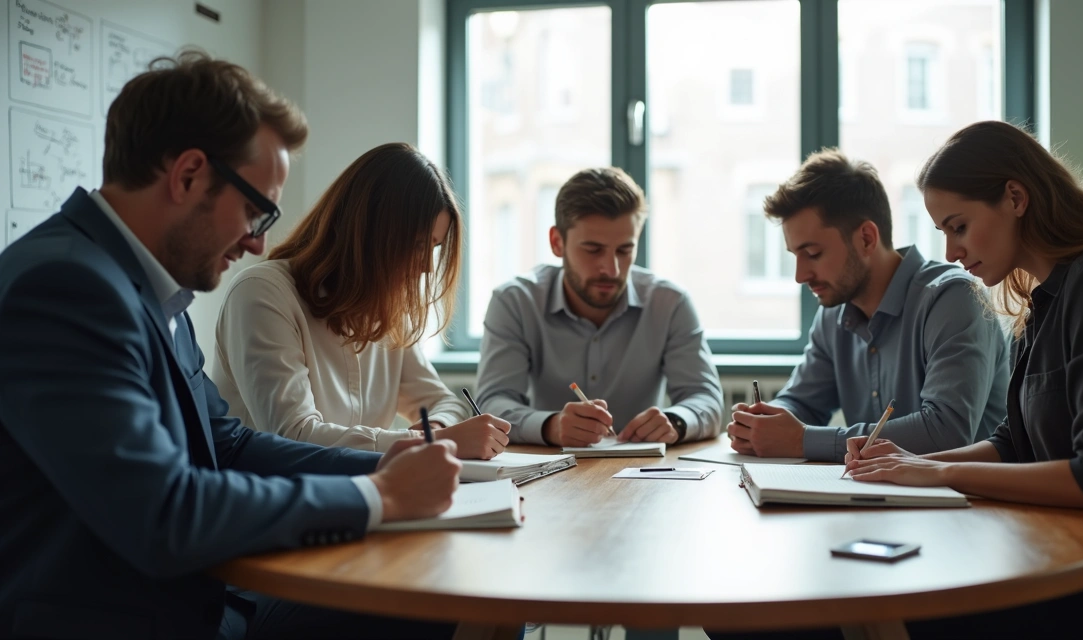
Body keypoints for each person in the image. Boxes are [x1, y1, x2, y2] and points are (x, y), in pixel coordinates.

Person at [0, 51, 462, 640]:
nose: (257, 244)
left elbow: (229, 443)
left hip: (197, 606)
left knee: (461, 601)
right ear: (188, 174)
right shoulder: (66, 288)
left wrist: (384, 463)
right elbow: (163, 512)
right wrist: (375, 497)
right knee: (439, 609)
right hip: (123, 621)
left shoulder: (151, 289)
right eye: (255, 210)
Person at [842, 121, 1083, 639]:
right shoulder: (1041, 301)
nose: (951, 251)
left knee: (895, 613)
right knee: (877, 608)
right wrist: (912, 463)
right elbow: (1014, 442)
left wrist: (941, 475)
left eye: (959, 226)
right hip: (1069, 563)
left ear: (1015, 197)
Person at [212, 142, 511, 459]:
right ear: (369, 231)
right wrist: (426, 444)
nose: (425, 266)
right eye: (417, 245)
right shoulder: (263, 292)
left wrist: (434, 428)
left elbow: (445, 402)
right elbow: (294, 437)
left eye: (434, 248)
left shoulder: (387, 309)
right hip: (278, 499)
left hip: (364, 495)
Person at [728, 149, 1009, 462]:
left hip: (966, 503)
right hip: (876, 497)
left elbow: (947, 432)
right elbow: (803, 402)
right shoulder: (833, 313)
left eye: (813, 253)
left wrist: (803, 440)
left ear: (865, 238)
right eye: (795, 256)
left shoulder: (953, 299)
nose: (800, 276)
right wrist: (765, 422)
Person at [476, 167, 723, 447]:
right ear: (557, 242)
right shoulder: (515, 302)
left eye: (624, 250)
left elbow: (707, 399)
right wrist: (550, 426)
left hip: (644, 480)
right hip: (551, 473)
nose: (611, 268)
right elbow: (492, 401)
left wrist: (676, 421)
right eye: (593, 250)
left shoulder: (670, 304)